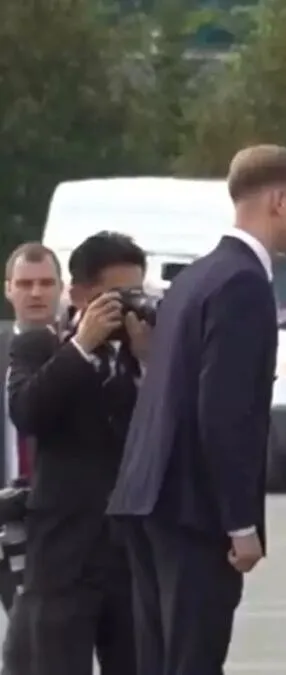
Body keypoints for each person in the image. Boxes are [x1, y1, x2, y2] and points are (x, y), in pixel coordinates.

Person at [107, 145, 286, 675]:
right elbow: (224, 411)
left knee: (159, 661)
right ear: (276, 201)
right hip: (192, 510)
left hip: (148, 497)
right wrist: (240, 521)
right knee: (192, 662)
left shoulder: (197, 276)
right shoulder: (243, 282)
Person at [8, 233, 152, 675]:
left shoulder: (146, 351)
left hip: (129, 553)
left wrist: (150, 363)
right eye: (116, 296)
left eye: (136, 293)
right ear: (80, 295)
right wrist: (81, 347)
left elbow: (172, 429)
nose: (127, 305)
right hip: (63, 555)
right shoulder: (41, 346)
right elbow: (28, 413)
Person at [1, 243, 63, 675]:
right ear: (8, 289)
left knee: (36, 644)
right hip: (4, 521)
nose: (36, 292)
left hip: (58, 523)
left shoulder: (78, 353)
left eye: (45, 283)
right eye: (25, 283)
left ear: (62, 288)